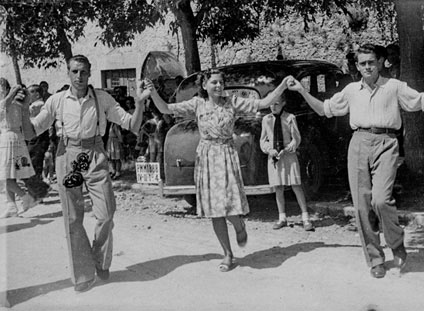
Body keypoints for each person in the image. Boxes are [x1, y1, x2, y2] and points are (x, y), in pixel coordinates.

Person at [287, 43, 424, 279]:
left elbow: (423, 103)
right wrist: (302, 91)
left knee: (381, 200)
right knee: (362, 205)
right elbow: (325, 109)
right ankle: (376, 259)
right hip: (358, 143)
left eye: (371, 62)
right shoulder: (352, 90)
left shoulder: (394, 86)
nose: (367, 66)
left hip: (386, 142)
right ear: (357, 66)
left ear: (380, 63)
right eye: (363, 63)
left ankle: (396, 243)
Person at [18, 55, 153, 292]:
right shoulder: (58, 101)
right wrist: (21, 109)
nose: (79, 76)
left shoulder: (101, 98)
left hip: (95, 153)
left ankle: (99, 259)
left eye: (83, 72)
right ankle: (82, 274)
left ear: (90, 73)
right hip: (67, 154)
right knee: (73, 218)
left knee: (106, 214)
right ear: (68, 73)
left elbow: (131, 124)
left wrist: (140, 103)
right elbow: (32, 132)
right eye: (75, 72)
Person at [149, 69, 294, 272]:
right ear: (205, 86)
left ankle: (238, 225)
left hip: (226, 155)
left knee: (227, 203)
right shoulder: (197, 104)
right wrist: (152, 92)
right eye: (214, 83)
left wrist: (282, 86)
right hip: (207, 157)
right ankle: (227, 254)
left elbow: (262, 103)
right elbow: (165, 108)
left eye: (221, 82)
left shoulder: (232, 101)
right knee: (214, 210)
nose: (218, 86)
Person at [260, 92, 314, 231]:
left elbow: (296, 138)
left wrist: (290, 146)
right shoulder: (266, 119)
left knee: (296, 185)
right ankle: (282, 217)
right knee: (278, 187)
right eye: (271, 103)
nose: (273, 106)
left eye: (277, 103)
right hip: (275, 157)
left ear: (283, 103)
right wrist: (269, 149)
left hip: (289, 156)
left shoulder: (290, 118)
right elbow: (263, 140)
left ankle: (305, 218)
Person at [0, 78, 37, 218]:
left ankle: (26, 197)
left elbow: (3, 106)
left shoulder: (8, 103)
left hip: (9, 138)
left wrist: (14, 92)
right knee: (9, 174)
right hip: (14, 138)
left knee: (4, 175)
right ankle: (11, 206)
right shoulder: (12, 103)